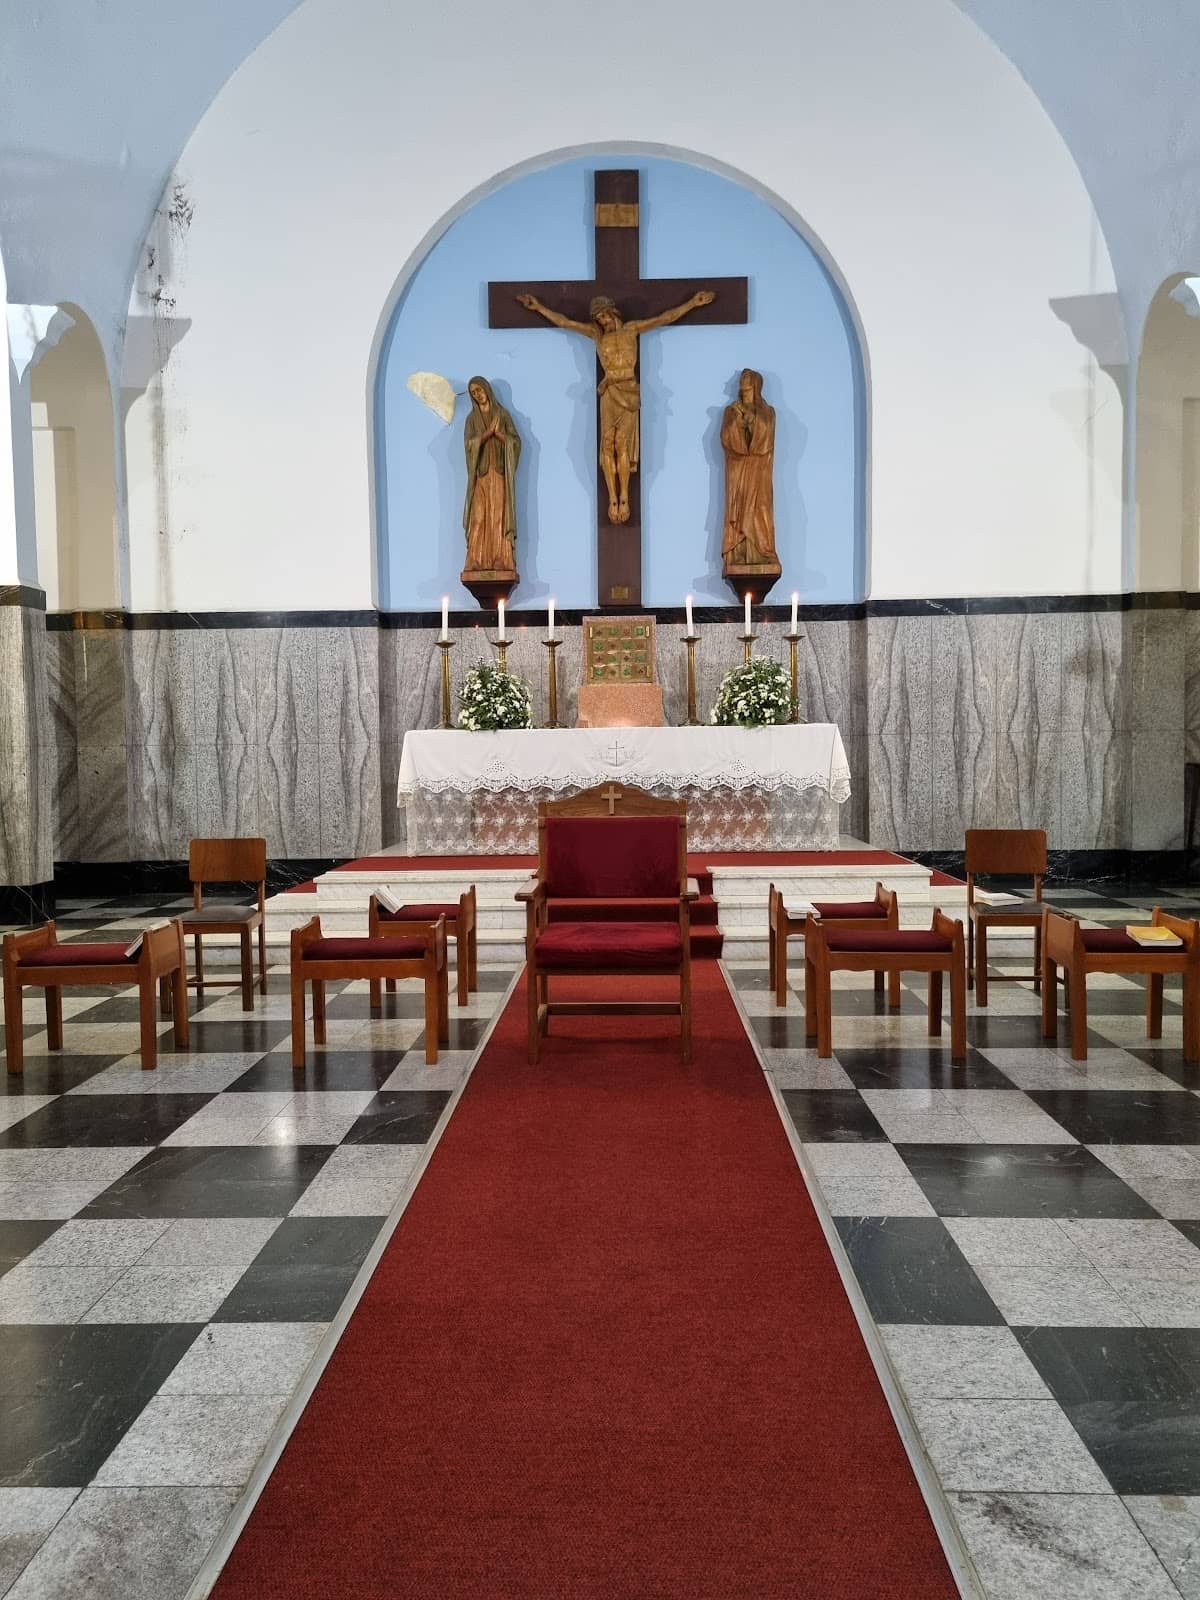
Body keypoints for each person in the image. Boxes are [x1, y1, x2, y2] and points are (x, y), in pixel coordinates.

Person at [516, 288, 715, 524]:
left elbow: (664, 318)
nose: (602, 321)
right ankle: (612, 497)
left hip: (628, 391)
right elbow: (566, 322)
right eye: (598, 318)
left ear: (612, 312)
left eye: (604, 316)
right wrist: (539, 308)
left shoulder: (631, 329)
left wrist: (693, 303)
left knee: (622, 443)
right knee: (607, 444)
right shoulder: (597, 335)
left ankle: (624, 496)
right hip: (609, 392)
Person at [462, 377, 521, 573]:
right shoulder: (471, 420)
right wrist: (487, 434)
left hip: (498, 474)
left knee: (498, 517)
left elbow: (515, 442)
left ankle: (500, 561)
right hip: (481, 476)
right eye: (473, 393)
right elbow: (468, 445)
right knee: (478, 518)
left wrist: (500, 436)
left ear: (486, 389)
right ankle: (475, 561)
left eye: (479, 390)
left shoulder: (502, 415)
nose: (477, 395)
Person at [721, 368, 777, 567]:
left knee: (760, 508)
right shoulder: (731, 411)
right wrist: (738, 422)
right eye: (742, 377)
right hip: (738, 468)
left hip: (758, 468)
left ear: (755, 384)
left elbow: (766, 438)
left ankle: (762, 551)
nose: (743, 379)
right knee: (737, 509)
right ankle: (738, 553)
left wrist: (751, 420)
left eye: (747, 377)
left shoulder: (767, 412)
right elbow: (726, 437)